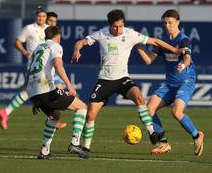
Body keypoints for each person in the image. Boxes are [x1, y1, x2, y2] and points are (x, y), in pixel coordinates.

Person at [71, 9, 183, 156]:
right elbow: (81, 42)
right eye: (115, 27)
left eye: (121, 26)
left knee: (139, 98)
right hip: (105, 80)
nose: (118, 30)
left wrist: (174, 50)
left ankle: (151, 132)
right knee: (91, 114)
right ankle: (85, 147)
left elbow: (155, 41)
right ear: (109, 26)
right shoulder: (101, 33)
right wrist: (76, 50)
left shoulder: (130, 34)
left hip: (123, 78)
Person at [136, 9, 204, 156]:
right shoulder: (163, 42)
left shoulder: (183, 39)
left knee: (176, 112)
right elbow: (149, 60)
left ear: (177, 22)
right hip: (169, 84)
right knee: (148, 111)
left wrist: (183, 65)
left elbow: (187, 58)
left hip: (185, 81)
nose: (167, 26)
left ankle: (196, 136)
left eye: (170, 23)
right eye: (165, 23)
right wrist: (139, 46)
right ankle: (164, 143)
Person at [26, 25, 88, 159]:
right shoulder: (56, 46)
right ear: (58, 36)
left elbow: (29, 71)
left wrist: (35, 97)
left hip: (33, 91)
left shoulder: (38, 48)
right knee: (82, 107)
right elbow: (58, 64)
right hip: (45, 89)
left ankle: (44, 151)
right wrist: (69, 85)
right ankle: (75, 144)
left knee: (54, 116)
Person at [0, 9, 66, 130]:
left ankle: (6, 112)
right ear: (35, 17)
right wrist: (26, 52)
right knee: (56, 86)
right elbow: (17, 42)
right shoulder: (29, 28)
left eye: (44, 16)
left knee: (33, 90)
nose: (41, 18)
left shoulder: (47, 29)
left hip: (47, 64)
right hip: (36, 66)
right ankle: (52, 118)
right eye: (39, 16)